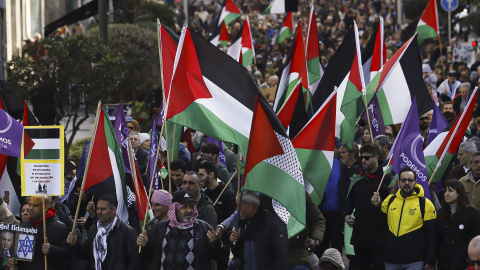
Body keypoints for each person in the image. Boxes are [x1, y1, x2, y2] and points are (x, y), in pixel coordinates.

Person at [136, 190, 226, 269]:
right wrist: (144, 245)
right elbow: (148, 257)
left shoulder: (204, 228)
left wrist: (216, 243)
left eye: (191, 206)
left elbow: (220, 257)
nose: (189, 210)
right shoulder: (159, 228)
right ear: (174, 209)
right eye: (184, 207)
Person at [371, 167, 436, 270]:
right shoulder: (390, 200)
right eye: (403, 180)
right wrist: (377, 206)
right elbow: (379, 225)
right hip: (391, 260)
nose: (407, 183)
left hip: (415, 262)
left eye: (410, 180)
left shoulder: (425, 204)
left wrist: (431, 259)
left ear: (415, 182)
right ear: (398, 182)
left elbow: (432, 235)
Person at [344, 144, 391, 270]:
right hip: (361, 237)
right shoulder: (358, 181)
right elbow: (349, 202)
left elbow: (392, 208)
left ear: (376, 158)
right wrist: (347, 215)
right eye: (361, 158)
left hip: (380, 238)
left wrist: (380, 204)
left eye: (366, 158)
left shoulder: (387, 180)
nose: (363, 161)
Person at [66, 194, 140, 270]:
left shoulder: (127, 231)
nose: (99, 212)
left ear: (113, 210)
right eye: (97, 209)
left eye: (103, 209)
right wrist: (75, 244)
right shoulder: (94, 229)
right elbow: (85, 255)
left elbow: (134, 260)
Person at [230, 191, 289, 269]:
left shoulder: (274, 224)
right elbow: (239, 255)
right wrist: (234, 241)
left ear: (250, 206)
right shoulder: (243, 224)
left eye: (239, 205)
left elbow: (281, 259)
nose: (237, 210)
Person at [436, 180, 480, 270]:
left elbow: (477, 237)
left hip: (464, 263)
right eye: (445, 191)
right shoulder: (441, 213)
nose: (446, 194)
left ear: (459, 193)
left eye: (450, 191)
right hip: (444, 262)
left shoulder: (472, 213)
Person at [17, 196, 70, 270]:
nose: (31, 208)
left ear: (45, 207)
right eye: (30, 204)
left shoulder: (59, 227)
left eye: (35, 205)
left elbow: (67, 253)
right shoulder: (24, 224)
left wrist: (51, 249)